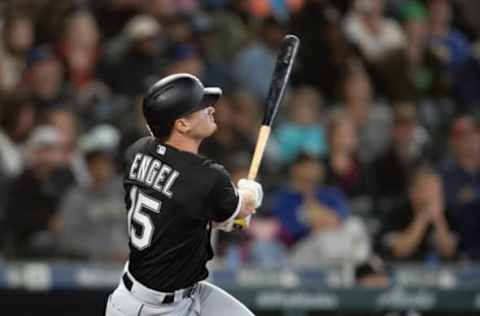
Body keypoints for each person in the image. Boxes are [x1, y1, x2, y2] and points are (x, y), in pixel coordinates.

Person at [105, 73, 262, 316]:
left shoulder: (136, 151)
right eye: (200, 106)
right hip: (153, 310)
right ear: (182, 124)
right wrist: (249, 194)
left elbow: (184, 210)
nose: (210, 108)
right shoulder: (207, 177)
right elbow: (241, 209)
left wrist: (229, 216)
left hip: (181, 291)